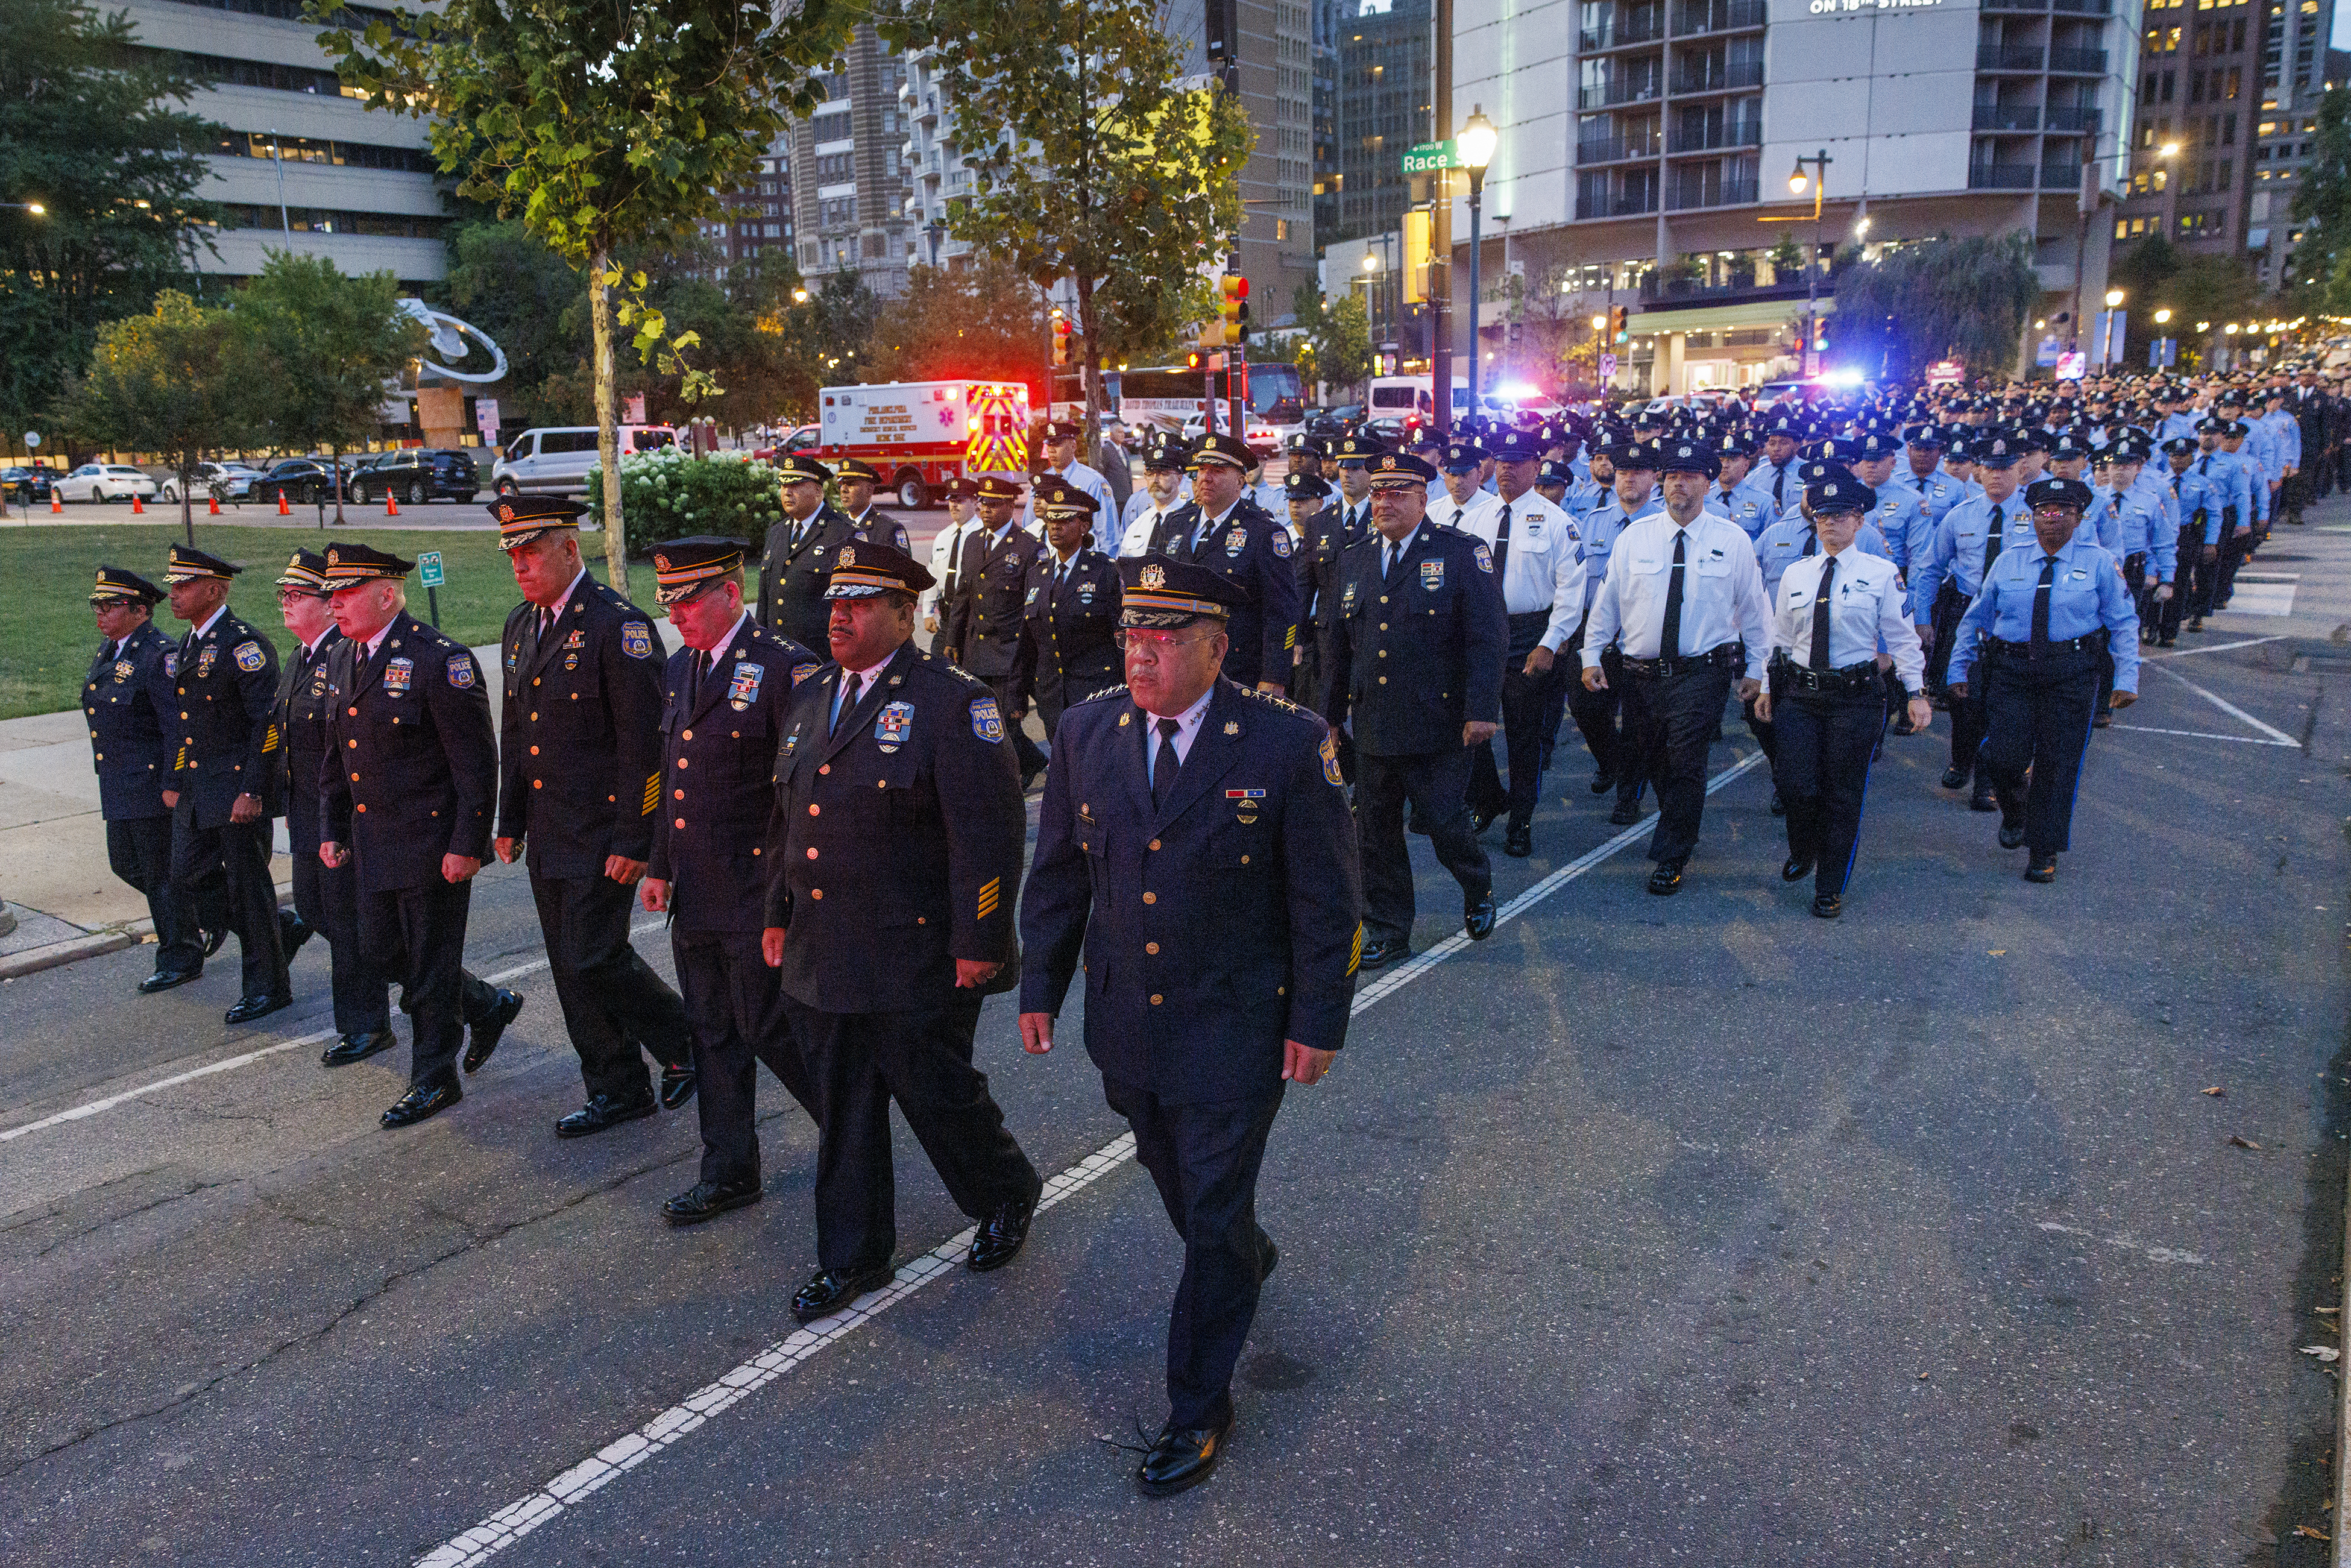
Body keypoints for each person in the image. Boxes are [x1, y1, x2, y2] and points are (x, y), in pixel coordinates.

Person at [1017, 554, 1362, 1499]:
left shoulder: (1287, 744)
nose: (1141, 653)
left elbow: (1328, 902)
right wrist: (1038, 986)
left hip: (1236, 1031)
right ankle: (1244, 1255)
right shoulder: (1088, 731)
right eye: (1132, 634)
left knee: (1208, 1210)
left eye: (1164, 637)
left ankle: (1198, 1405)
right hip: (1127, 1027)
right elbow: (1056, 874)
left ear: (1218, 646)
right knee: (1177, 1180)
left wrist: (1319, 1018)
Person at [761, 539, 1043, 1323]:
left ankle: (1005, 1191)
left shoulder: (953, 705)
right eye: (833, 602)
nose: (839, 614)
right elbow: (788, 821)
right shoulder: (813, 694)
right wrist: (778, 916)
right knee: (845, 1108)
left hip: (917, 953)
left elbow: (986, 838)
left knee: (936, 1093)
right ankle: (853, 1257)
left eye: (859, 603)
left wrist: (980, 942)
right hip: (827, 947)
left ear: (905, 614)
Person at [491, 496, 699, 1136]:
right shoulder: (521, 625)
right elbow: (517, 734)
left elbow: (647, 745)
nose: (520, 565)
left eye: (531, 551)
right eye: (513, 555)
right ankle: (615, 1085)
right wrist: (510, 820)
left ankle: (685, 1042)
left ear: (569, 548)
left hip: (605, 830)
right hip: (551, 830)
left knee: (592, 957)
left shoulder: (617, 626)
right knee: (568, 966)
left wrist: (638, 838)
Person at [640, 538, 824, 1224]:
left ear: (729, 593)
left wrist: (784, 898)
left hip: (757, 890)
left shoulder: (784, 669)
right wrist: (660, 865)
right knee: (711, 1032)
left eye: (689, 600)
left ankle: (850, 1133)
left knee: (770, 1028)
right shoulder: (682, 665)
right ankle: (728, 1171)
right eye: (670, 602)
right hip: (696, 889)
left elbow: (798, 798)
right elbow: (673, 777)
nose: (678, 615)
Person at [318, 543, 514, 1128]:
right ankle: (488, 1004)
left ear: (387, 593)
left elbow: (477, 765)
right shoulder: (342, 657)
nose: (335, 603)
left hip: (432, 846)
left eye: (347, 592)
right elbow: (338, 757)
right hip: (374, 838)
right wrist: (332, 827)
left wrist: (468, 844)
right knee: (380, 953)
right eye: (332, 592)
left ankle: (434, 1079)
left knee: (429, 969)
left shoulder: (437, 660)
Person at [1322, 450, 1506, 963]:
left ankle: (1477, 887)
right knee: (1375, 834)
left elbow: (1487, 638)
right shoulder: (1354, 557)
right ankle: (1388, 925)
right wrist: (1330, 719)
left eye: (1397, 492)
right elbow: (1336, 645)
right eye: (1378, 492)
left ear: (1425, 499)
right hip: (1376, 724)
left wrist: (1481, 708)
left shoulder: (1459, 552)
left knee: (1446, 824)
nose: (1384, 501)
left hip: (1438, 723)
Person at [1580, 438, 1772, 896]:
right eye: (1670, 476)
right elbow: (1607, 603)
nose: (1677, 485)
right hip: (1641, 673)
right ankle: (1681, 821)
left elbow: (1755, 610)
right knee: (1656, 760)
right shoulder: (1635, 538)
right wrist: (1591, 655)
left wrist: (1759, 669)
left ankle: (1672, 853)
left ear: (1708, 483)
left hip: (1702, 672)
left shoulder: (1733, 540)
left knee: (1687, 760)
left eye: (1688, 477)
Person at [1754, 474, 1931, 919]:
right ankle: (1804, 847)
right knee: (1795, 783)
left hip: (1855, 699)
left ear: (1859, 521)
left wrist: (1916, 691)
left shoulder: (1882, 573)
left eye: (1841, 516)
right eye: (1823, 516)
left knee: (1842, 793)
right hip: (1799, 693)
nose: (1830, 523)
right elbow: (1779, 637)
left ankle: (1830, 885)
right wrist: (1767, 685)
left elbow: (1902, 637)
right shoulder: (1796, 573)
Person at [1947, 477, 2141, 883]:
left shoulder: (2099, 562)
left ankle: (2043, 848)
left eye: (2062, 512)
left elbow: (2123, 622)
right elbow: (1977, 618)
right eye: (2043, 512)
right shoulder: (2010, 560)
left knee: (2057, 761)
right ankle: (2015, 809)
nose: (2051, 520)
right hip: (2012, 669)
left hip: (2071, 672)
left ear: (2079, 517)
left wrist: (2126, 676)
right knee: (2001, 754)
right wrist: (1957, 666)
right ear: (2032, 517)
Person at [160, 543, 298, 1025]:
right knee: (185, 876)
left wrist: (254, 791)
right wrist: (175, 777)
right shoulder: (190, 642)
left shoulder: (246, 646)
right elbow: (187, 724)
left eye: (184, 585)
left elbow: (269, 725)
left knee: (246, 887)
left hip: (238, 790)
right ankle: (279, 929)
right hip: (199, 790)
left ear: (215, 589)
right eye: (172, 585)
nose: (172, 594)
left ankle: (268, 987)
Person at [271, 549, 394, 1063]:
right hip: (305, 811)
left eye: (297, 596)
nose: (286, 604)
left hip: (339, 813)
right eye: (284, 595)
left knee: (347, 923)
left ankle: (366, 1024)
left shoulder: (341, 655)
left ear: (328, 605)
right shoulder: (301, 657)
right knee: (316, 910)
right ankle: (474, 998)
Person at [1455, 426, 1587, 857]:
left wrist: (1551, 642)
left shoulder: (1556, 522)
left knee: (1524, 735)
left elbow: (1571, 589)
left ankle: (1522, 817)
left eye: (1517, 463)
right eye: (1502, 463)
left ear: (1537, 467)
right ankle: (1490, 795)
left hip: (1530, 632)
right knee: (1469, 722)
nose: (1507, 471)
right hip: (1480, 632)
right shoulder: (1476, 518)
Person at [85, 565, 216, 995]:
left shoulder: (157, 655)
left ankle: (180, 953)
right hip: (120, 786)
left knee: (161, 873)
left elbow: (178, 727)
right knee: (126, 864)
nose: (101, 613)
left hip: (150, 786)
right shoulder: (112, 651)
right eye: (97, 606)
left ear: (140, 610)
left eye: (110, 605)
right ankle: (224, 915)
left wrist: (174, 780)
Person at [1909, 430, 2038, 810]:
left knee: (2001, 701)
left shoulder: (2035, 515)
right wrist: (1923, 617)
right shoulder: (1960, 515)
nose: (1997, 476)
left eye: (2006, 469)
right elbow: (1931, 568)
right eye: (1989, 469)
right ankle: (1961, 758)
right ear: (1979, 473)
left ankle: (1988, 781)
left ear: (2020, 471)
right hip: (1965, 612)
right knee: (1963, 695)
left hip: (2014, 617)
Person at [1153, 431, 1301, 696]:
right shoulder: (1176, 524)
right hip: (1179, 665)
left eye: (1218, 470)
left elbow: (1282, 612)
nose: (1206, 477)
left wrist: (1274, 677)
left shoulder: (1263, 532)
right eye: (1201, 469)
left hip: (1238, 671)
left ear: (1241, 480)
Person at [1572, 439, 1664, 824]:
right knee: (1584, 707)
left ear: (1655, 477)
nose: (1628, 479)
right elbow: (1576, 582)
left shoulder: (1665, 523)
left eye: (1638, 472)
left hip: (1645, 635)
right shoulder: (1592, 522)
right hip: (1597, 631)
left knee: (1639, 722)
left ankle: (1628, 796)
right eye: (1623, 472)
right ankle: (1612, 763)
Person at [944, 474, 1051, 786]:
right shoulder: (975, 540)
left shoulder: (1029, 548)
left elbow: (1032, 607)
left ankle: (1019, 767)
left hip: (1009, 649)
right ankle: (1016, 765)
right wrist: (953, 638)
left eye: (993, 504)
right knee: (979, 715)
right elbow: (965, 592)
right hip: (976, 646)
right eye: (982, 503)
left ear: (1010, 506)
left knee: (1006, 721)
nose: (985, 510)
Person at [1010, 477, 1122, 741]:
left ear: (1084, 525)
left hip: (1096, 694)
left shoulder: (1104, 571)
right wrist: (1016, 695)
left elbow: (1121, 638)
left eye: (1064, 520)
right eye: (1051, 520)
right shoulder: (1037, 575)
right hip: (1052, 697)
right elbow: (1027, 642)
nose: (1055, 527)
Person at [757, 453, 867, 653]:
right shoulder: (777, 532)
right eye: (784, 485)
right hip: (776, 654)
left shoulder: (843, 533)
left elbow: (856, 604)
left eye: (796, 485)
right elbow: (764, 602)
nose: (787, 492)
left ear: (818, 490)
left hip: (821, 656)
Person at [921, 477, 984, 654]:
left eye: (961, 501)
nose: (954, 505)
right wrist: (928, 612)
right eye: (951, 500)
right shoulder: (943, 536)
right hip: (947, 618)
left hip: (972, 619)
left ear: (975, 502)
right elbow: (933, 575)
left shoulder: (982, 535)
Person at [1116, 432, 1191, 557]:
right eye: (1151, 474)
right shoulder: (1137, 526)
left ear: (1179, 479)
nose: (1156, 480)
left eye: (1163, 474)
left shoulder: (1191, 522)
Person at [834, 458, 912, 554]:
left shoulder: (888, 529)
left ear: (869, 490)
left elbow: (904, 568)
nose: (844, 489)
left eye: (851, 484)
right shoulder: (834, 526)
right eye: (843, 484)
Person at [1098, 421, 1135, 518]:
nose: (1123, 434)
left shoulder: (1125, 450)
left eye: (1123, 432)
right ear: (1112, 434)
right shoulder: (1106, 450)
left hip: (1127, 497)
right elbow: (1102, 474)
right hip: (1115, 498)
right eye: (1119, 432)